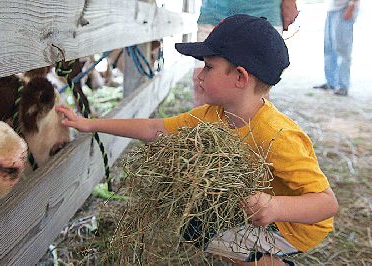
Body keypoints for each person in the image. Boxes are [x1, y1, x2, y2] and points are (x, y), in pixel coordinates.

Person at [56, 14, 338, 265]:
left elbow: (326, 204)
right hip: (255, 208)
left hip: (294, 225)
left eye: (209, 67)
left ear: (240, 77)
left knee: (205, 229)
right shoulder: (212, 116)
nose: (199, 76)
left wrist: (275, 207)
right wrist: (89, 123)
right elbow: (154, 128)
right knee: (194, 224)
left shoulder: (278, 136)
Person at [192, 0, 299, 106]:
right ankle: (204, 123)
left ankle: (254, 123)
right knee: (202, 84)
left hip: (262, 12)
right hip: (214, 11)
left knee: (255, 88)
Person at [313, 0, 360, 96]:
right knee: (328, 49)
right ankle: (331, 82)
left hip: (344, 9)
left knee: (343, 51)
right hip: (332, 9)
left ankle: (343, 86)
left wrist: (351, 5)